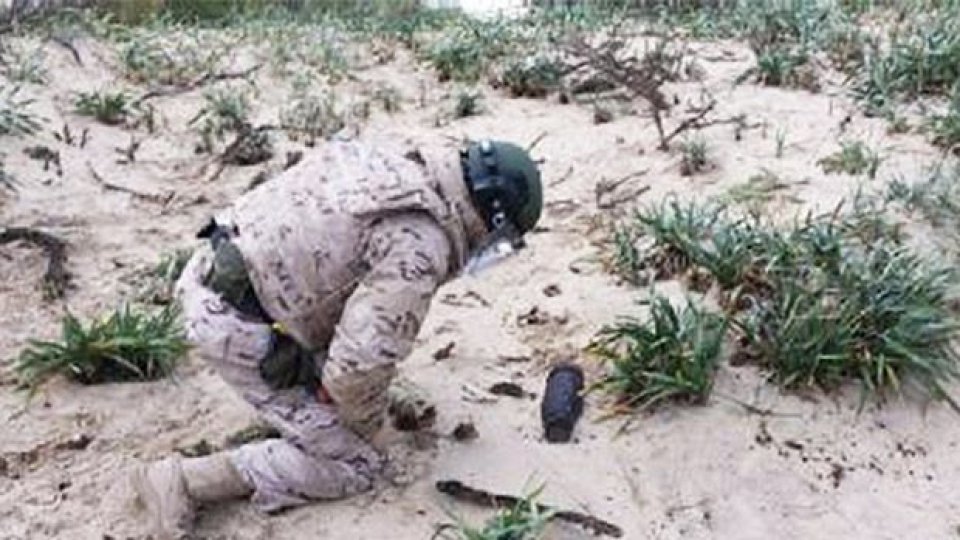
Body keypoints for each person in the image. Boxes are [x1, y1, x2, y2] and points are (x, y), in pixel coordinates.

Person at [129, 136, 544, 538]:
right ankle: (184, 480)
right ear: (490, 218)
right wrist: (368, 423)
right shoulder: (420, 246)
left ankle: (301, 404)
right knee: (359, 463)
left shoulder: (398, 160)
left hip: (218, 269)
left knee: (353, 375)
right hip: (236, 325)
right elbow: (356, 369)